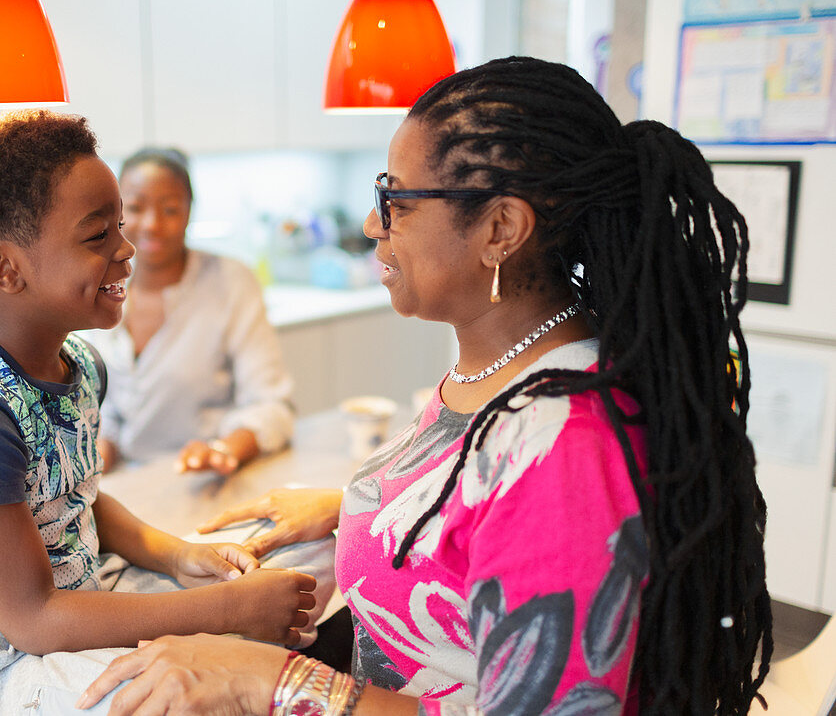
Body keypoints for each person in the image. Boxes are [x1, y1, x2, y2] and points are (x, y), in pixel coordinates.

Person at [76, 57, 773, 715]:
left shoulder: (561, 445)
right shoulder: (497, 368)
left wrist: (274, 679)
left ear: (500, 228)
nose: (373, 224)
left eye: (397, 200)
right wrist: (366, 504)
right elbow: (475, 517)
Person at [0, 110, 333, 713]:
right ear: (2, 268)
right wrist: (226, 609)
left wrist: (180, 555)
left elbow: (79, 497)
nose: (128, 249)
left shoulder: (80, 361)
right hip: (0, 666)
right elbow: (33, 622)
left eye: (117, 227)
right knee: (198, 687)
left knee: (310, 551)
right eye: (99, 236)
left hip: (89, 592)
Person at [78, 147, 294, 476]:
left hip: (208, 479)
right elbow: (105, 412)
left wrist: (222, 452)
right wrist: (91, 460)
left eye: (169, 209)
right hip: (123, 485)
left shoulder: (232, 281)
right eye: (135, 208)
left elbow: (272, 405)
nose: (151, 224)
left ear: (190, 211)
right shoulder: (98, 286)